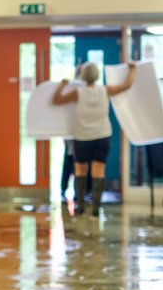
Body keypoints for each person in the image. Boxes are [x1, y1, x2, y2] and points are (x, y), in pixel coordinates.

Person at [52, 61, 136, 216]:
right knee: (99, 172)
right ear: (97, 75)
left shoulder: (78, 92)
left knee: (80, 171)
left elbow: (56, 100)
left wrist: (62, 84)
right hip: (102, 135)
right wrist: (133, 70)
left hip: (82, 136)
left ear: (83, 76)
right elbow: (127, 85)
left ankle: (81, 206)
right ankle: (96, 208)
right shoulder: (106, 90)